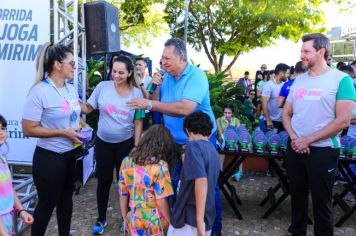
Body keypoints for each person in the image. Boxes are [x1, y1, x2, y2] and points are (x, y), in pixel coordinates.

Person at [127, 38, 222, 236]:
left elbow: (184, 108)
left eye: (167, 58)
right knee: (176, 183)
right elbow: (156, 105)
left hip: (199, 142)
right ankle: (180, 227)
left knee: (207, 188)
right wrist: (156, 89)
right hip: (174, 142)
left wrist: (149, 104)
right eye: (162, 58)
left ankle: (212, 230)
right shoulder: (166, 77)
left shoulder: (196, 76)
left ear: (181, 58)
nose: (163, 63)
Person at [282, 33, 356, 236]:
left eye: (306, 51)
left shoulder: (342, 80)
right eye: (302, 51)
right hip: (295, 148)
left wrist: (308, 139)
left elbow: (343, 120)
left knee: (322, 204)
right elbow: (286, 114)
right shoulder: (299, 81)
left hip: (323, 151)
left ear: (321, 51)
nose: (302, 55)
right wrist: (295, 138)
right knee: (296, 201)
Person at [22, 42, 86, 236]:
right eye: (72, 63)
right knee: (46, 205)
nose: (75, 67)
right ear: (58, 65)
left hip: (71, 154)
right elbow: (28, 129)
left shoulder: (71, 89)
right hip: (50, 158)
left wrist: (84, 126)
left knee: (66, 201)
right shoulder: (39, 91)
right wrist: (62, 133)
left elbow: (74, 118)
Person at [80, 55, 144, 235]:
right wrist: (71, 101)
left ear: (130, 72)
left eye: (121, 72)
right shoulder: (102, 87)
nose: (116, 75)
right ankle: (101, 219)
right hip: (103, 143)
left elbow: (139, 122)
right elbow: (88, 108)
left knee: (127, 183)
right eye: (114, 71)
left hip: (125, 144)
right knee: (104, 182)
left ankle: (128, 219)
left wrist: (136, 146)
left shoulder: (136, 93)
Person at [168, 111, 220, 236]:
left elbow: (201, 180)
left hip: (190, 218)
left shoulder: (193, 147)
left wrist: (199, 221)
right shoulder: (213, 150)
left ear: (188, 130)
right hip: (207, 214)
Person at [119, 125, 175, 235]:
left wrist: (125, 216)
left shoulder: (126, 162)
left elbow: (123, 193)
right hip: (155, 219)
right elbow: (161, 200)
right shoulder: (161, 167)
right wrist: (171, 220)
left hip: (134, 217)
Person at [0, 115, 34, 235]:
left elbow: (9, 189)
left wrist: (21, 210)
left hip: (7, 218)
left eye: (3, 128)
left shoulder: (3, 158)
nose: (1, 132)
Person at [261, 63, 290, 133]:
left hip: (284, 120)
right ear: (281, 73)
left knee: (283, 142)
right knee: (272, 143)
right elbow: (264, 103)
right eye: (287, 73)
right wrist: (268, 120)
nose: (288, 75)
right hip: (272, 121)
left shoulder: (286, 84)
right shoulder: (268, 85)